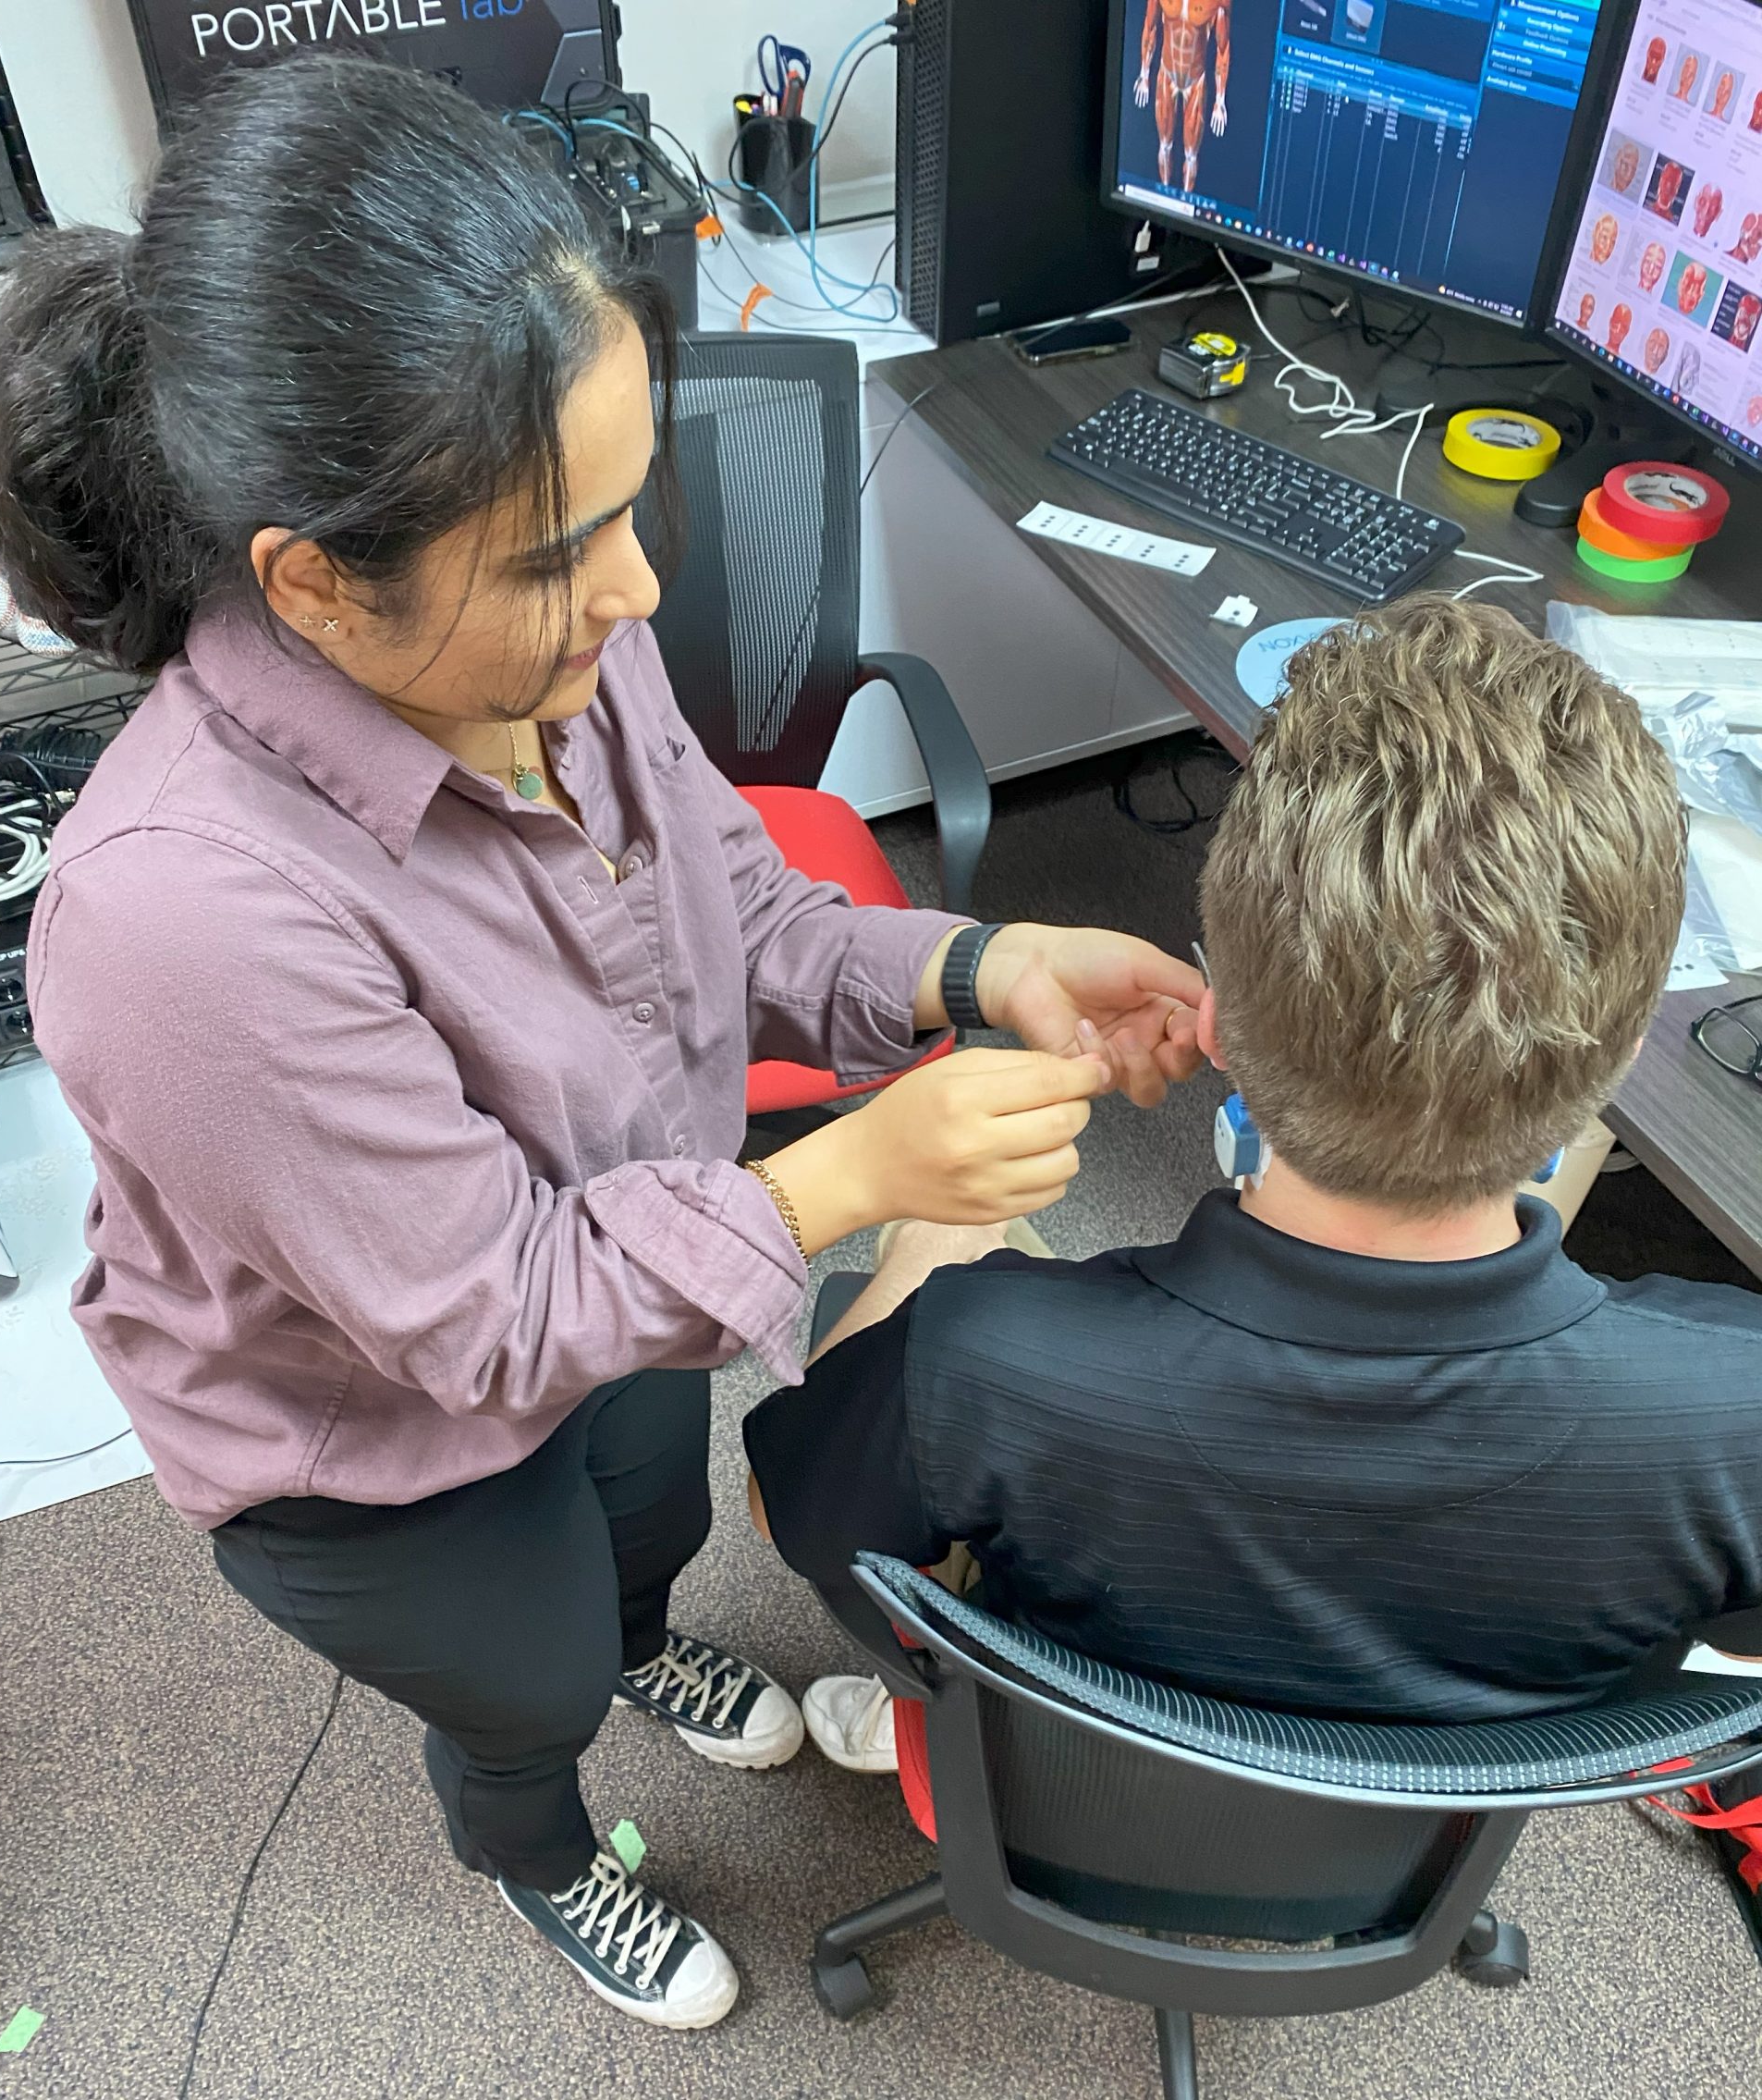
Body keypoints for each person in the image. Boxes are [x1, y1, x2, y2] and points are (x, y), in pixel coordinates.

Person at [0, 56, 1207, 2032]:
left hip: (647, 1221)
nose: (637, 597)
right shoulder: (177, 918)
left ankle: (641, 1634)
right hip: (367, 1433)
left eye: (623, 514)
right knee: (527, 1668)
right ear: (312, 581)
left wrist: (982, 965)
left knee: (643, 1517)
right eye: (561, 554)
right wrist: (854, 1179)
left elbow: (745, 912)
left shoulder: (563, 637)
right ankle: (542, 1841)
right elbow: (478, 1319)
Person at [746, 598, 1762, 1816]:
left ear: (1215, 1020)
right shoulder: (1733, 1408)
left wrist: (930, 1245)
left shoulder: (979, 1354)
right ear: (1618, 1060)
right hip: (1405, 1846)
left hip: (1051, 1800)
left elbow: (795, 1518)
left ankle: (941, 1709)